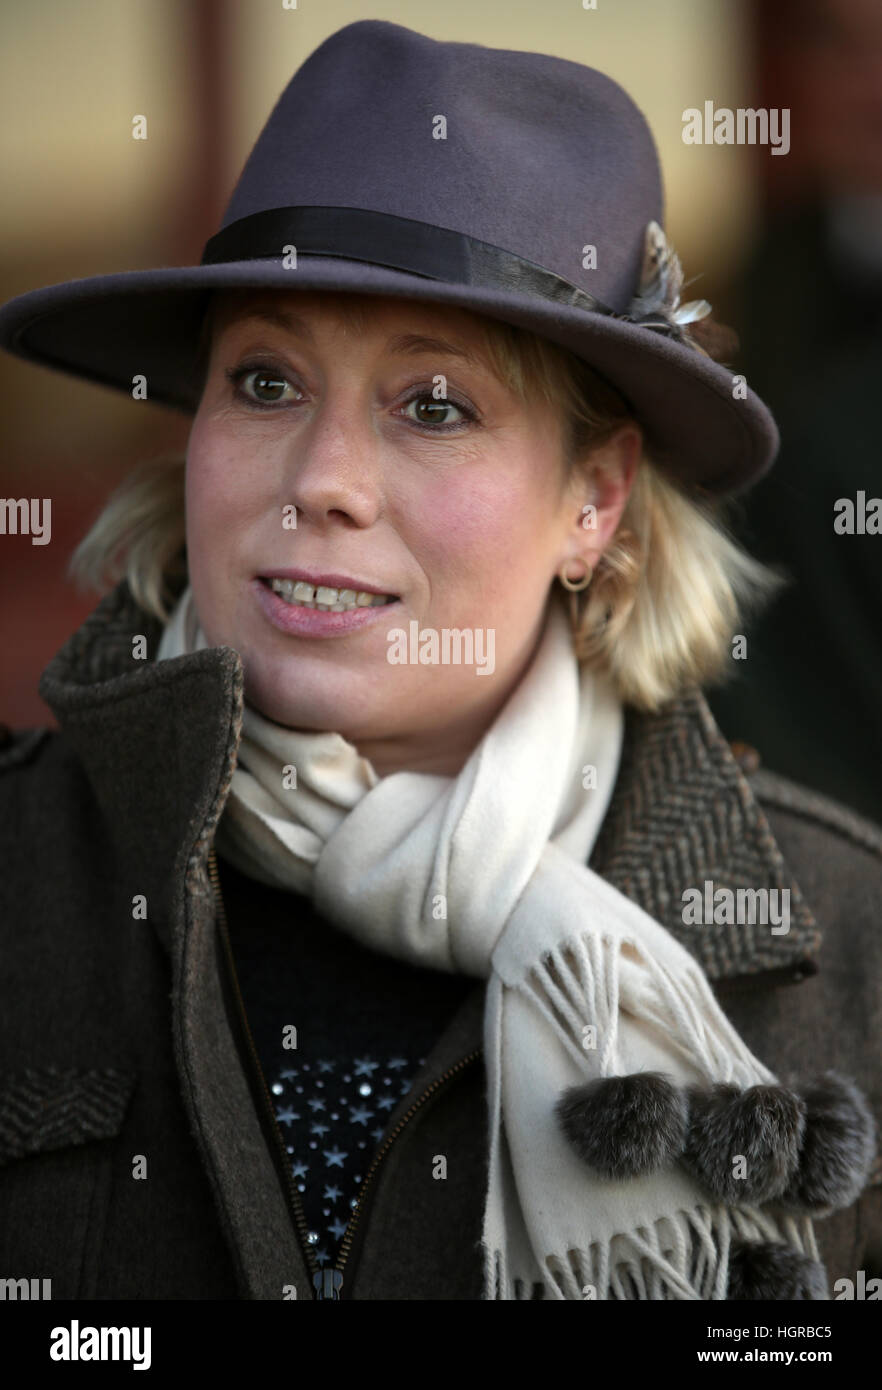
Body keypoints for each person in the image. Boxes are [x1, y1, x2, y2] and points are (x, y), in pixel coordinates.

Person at [0, 19, 880, 1303]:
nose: (324, 482)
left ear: (595, 501)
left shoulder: (845, 947)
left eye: (434, 405)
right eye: (264, 382)